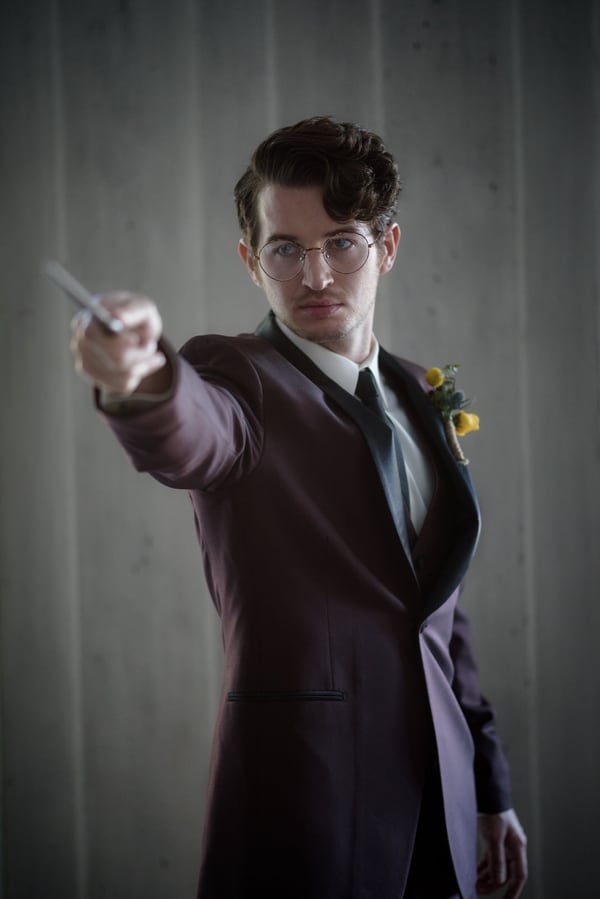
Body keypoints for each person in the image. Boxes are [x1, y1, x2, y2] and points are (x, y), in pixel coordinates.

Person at [71, 116, 528, 899]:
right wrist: (140, 378)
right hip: (307, 806)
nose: (315, 275)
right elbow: (192, 431)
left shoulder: (422, 391)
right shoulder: (238, 377)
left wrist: (489, 785)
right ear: (251, 260)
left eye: (341, 243)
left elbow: (439, 612)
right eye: (285, 249)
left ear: (387, 246)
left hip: (442, 809)